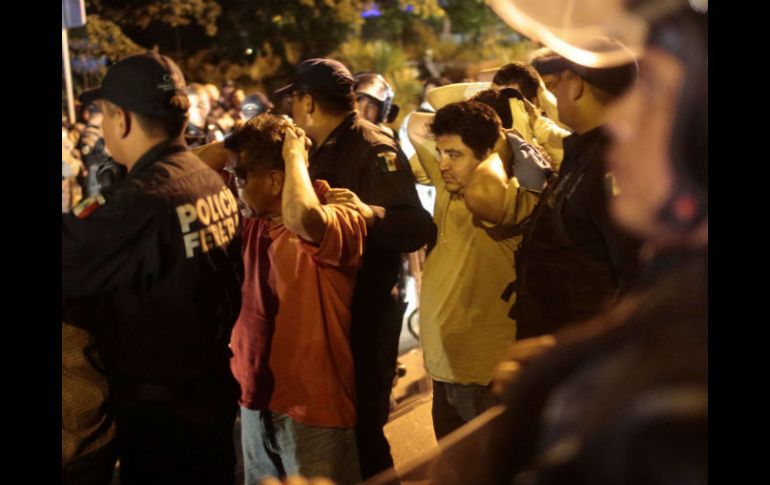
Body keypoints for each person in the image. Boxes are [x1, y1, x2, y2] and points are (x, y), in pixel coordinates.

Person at [62, 51, 243, 485]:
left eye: (104, 115)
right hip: (210, 396)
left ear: (122, 120)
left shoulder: (136, 204)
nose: (102, 126)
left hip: (162, 418)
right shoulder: (205, 179)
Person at [275, 57, 436, 479]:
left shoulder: (371, 146)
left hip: (367, 314)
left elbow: (414, 225)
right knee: (341, 434)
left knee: (365, 433)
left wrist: (368, 213)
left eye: (292, 101)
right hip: (331, 314)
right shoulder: (316, 147)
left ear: (308, 102)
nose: (290, 111)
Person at [220, 114, 366, 485]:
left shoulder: (339, 212)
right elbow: (187, 169)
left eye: (241, 178)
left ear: (274, 179)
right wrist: (242, 139)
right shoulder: (254, 216)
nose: (234, 188)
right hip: (254, 402)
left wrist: (294, 154)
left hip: (313, 409)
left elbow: (301, 215)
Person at [510, 53, 642, 339]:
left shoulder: (612, 162)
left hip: (589, 363)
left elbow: (634, 278)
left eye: (556, 84)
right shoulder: (587, 154)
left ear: (576, 85)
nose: (553, 94)